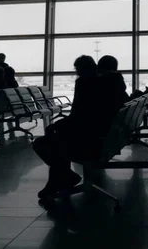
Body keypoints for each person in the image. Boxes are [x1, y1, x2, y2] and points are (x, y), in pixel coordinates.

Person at [34, 56, 109, 199]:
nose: (77, 73)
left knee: (43, 143)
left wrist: (56, 125)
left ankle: (62, 178)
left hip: (88, 140)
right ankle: (61, 178)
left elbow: (79, 116)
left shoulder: (84, 83)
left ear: (81, 69)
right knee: (58, 141)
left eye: (78, 69)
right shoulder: (103, 83)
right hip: (99, 136)